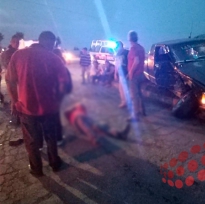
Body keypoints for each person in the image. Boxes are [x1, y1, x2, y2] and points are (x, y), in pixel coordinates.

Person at [5, 31, 70, 176]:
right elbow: (63, 83)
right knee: (51, 137)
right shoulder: (54, 58)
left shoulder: (18, 55)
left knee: (31, 140)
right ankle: (55, 163)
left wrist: (15, 101)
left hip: (26, 107)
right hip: (49, 108)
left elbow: (10, 80)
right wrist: (58, 99)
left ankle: (36, 169)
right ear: (51, 43)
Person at [64, 103, 131, 145]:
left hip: (88, 123)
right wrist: (91, 137)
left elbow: (82, 124)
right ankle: (120, 135)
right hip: (88, 124)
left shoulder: (73, 116)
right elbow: (83, 125)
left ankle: (119, 135)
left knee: (103, 127)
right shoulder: (76, 114)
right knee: (103, 127)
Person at [127, 31, 146, 121]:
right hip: (141, 74)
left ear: (130, 38)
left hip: (135, 75)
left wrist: (130, 73)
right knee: (140, 93)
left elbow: (136, 61)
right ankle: (143, 111)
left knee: (134, 95)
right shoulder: (141, 48)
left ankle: (135, 115)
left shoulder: (133, 48)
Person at [0, 35, 20, 104]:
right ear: (11, 42)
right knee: (13, 90)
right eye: (14, 42)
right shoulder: (7, 53)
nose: (16, 44)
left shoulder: (19, 52)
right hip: (11, 75)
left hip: (17, 75)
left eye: (18, 42)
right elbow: (5, 64)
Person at [114, 41, 129, 108]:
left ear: (121, 45)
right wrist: (115, 73)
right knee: (121, 87)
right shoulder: (117, 53)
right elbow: (116, 64)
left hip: (125, 72)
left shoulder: (126, 52)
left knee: (124, 88)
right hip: (121, 72)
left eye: (118, 45)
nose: (117, 47)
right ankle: (124, 101)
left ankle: (125, 102)